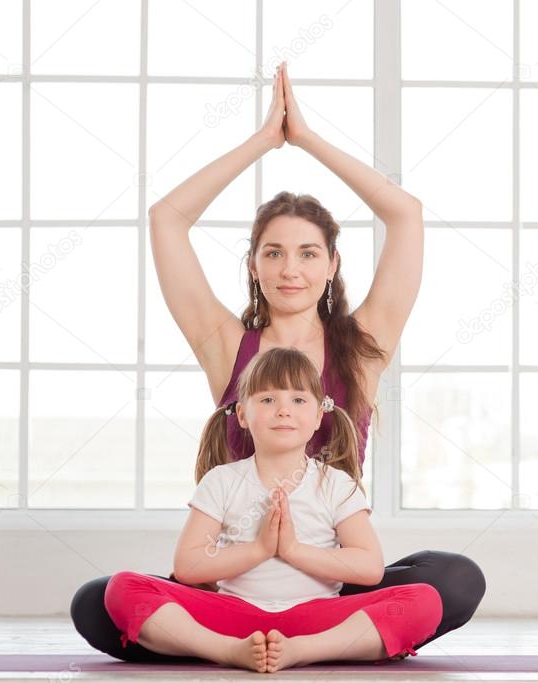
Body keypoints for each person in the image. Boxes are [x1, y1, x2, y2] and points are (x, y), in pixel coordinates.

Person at [71, 61, 485, 662]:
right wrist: (264, 141)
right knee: (96, 601)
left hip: (328, 579)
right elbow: (168, 218)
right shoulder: (226, 344)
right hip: (239, 577)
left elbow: (406, 215)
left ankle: (283, 640)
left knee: (455, 579)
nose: (291, 269)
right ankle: (279, 640)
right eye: (274, 252)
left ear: (332, 265)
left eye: (309, 253)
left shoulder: (362, 344)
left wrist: (308, 140)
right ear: (254, 265)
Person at [104, 347, 442, 672]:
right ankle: (228, 651)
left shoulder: (336, 484)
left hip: (315, 618)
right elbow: (189, 566)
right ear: (242, 415)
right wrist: (260, 549)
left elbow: (369, 568)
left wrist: (292, 550)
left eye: (298, 400)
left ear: (317, 415)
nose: (283, 410)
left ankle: (303, 652)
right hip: (235, 615)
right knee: (123, 588)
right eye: (267, 399)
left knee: (425, 601)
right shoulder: (221, 480)